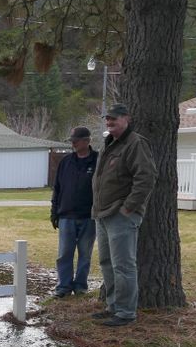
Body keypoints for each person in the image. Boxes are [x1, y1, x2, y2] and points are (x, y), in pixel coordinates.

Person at [91, 104, 156, 327]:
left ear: (127, 119)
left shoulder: (136, 143)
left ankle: (126, 313)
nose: (109, 122)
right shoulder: (109, 144)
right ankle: (113, 307)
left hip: (121, 216)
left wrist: (128, 208)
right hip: (103, 214)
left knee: (123, 266)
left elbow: (146, 178)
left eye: (114, 119)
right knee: (107, 263)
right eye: (107, 119)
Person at [50, 126, 97, 298]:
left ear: (87, 141)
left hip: (89, 217)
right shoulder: (65, 162)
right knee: (64, 254)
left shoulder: (98, 161)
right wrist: (54, 212)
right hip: (66, 216)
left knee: (85, 254)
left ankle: (80, 287)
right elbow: (57, 189)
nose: (73, 144)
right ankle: (63, 287)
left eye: (76, 141)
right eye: (72, 141)